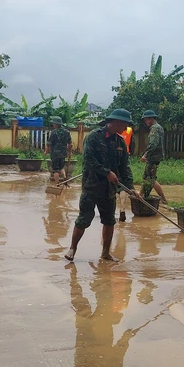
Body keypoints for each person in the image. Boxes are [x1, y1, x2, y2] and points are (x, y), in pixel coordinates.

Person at [65, 109, 136, 262]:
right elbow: (89, 160)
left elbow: (124, 166)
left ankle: (105, 253)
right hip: (92, 187)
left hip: (109, 190)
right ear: (116, 122)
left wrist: (130, 187)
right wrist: (106, 172)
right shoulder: (94, 137)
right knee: (84, 219)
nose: (126, 127)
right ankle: (72, 248)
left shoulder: (120, 142)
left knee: (109, 221)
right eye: (125, 124)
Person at [140, 110, 167, 203]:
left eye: (146, 119)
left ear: (150, 118)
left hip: (153, 157)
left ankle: (163, 199)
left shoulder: (154, 128)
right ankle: (141, 196)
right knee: (147, 177)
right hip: (157, 156)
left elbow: (153, 144)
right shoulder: (159, 127)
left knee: (150, 178)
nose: (145, 121)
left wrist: (145, 154)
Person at [45, 116, 73, 184]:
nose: (53, 125)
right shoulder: (67, 132)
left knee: (55, 170)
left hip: (55, 154)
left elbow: (49, 144)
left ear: (56, 124)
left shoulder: (53, 132)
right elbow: (70, 144)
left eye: (54, 123)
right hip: (63, 153)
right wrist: (70, 152)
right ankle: (64, 179)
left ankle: (57, 184)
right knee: (61, 167)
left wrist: (46, 151)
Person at [117, 125, 133, 222]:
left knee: (111, 188)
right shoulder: (129, 130)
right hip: (125, 155)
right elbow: (132, 144)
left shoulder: (114, 130)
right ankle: (122, 209)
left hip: (113, 159)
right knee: (122, 186)